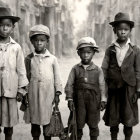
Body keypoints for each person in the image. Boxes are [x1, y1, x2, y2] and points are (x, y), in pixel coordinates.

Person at [102, 12, 140, 140]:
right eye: (120, 29)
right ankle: (114, 137)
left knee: (128, 118)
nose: (123, 32)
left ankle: (127, 138)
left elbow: (138, 71)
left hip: (129, 89)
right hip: (113, 89)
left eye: (126, 29)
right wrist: (103, 91)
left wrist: (138, 89)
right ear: (114, 30)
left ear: (130, 31)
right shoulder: (110, 49)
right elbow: (104, 69)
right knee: (114, 118)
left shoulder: (135, 50)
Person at [24, 24, 62, 140]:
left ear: (47, 42)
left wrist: (57, 93)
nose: (39, 43)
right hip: (33, 95)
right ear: (31, 41)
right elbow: (25, 77)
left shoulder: (52, 59)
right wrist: (24, 93)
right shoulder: (29, 59)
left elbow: (57, 77)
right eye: (36, 40)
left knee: (47, 123)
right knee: (34, 123)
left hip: (48, 95)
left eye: (42, 40)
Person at [65, 37, 107, 140]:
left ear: (93, 53)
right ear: (78, 53)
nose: (86, 55)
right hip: (79, 101)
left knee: (93, 124)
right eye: (83, 52)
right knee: (78, 124)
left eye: (89, 52)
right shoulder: (75, 69)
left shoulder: (98, 70)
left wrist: (103, 100)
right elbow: (69, 84)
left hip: (94, 101)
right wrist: (70, 98)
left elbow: (102, 85)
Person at [0, 7, 29, 140]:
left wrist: (21, 90)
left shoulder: (16, 47)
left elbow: (21, 70)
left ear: (13, 28)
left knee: (9, 123)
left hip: (10, 91)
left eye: (8, 26)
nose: (4, 29)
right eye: (1, 25)